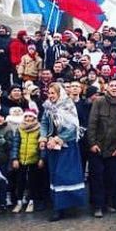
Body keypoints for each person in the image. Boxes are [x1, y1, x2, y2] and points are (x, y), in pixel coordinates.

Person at [40, 82, 87, 221]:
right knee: (54, 175)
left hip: (67, 147)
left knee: (63, 175)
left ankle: (66, 206)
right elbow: (44, 123)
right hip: (52, 147)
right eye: (49, 93)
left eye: (53, 93)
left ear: (59, 93)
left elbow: (74, 126)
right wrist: (43, 137)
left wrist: (59, 138)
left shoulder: (68, 105)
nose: (50, 96)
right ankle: (58, 207)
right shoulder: (48, 106)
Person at [87, 79, 116, 216]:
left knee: (111, 178)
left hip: (113, 150)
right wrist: (92, 143)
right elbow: (92, 123)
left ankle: (107, 203)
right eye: (111, 85)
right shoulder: (98, 102)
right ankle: (98, 206)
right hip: (97, 147)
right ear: (107, 88)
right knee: (97, 177)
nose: (114, 88)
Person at [10, 109, 45, 213]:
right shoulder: (20, 129)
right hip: (21, 159)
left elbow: (41, 146)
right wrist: (15, 158)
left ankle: (31, 201)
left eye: (31, 117)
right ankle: (19, 201)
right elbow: (15, 144)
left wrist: (42, 158)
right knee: (20, 181)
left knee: (32, 182)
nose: (28, 119)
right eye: (26, 117)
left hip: (34, 159)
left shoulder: (39, 129)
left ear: (35, 118)